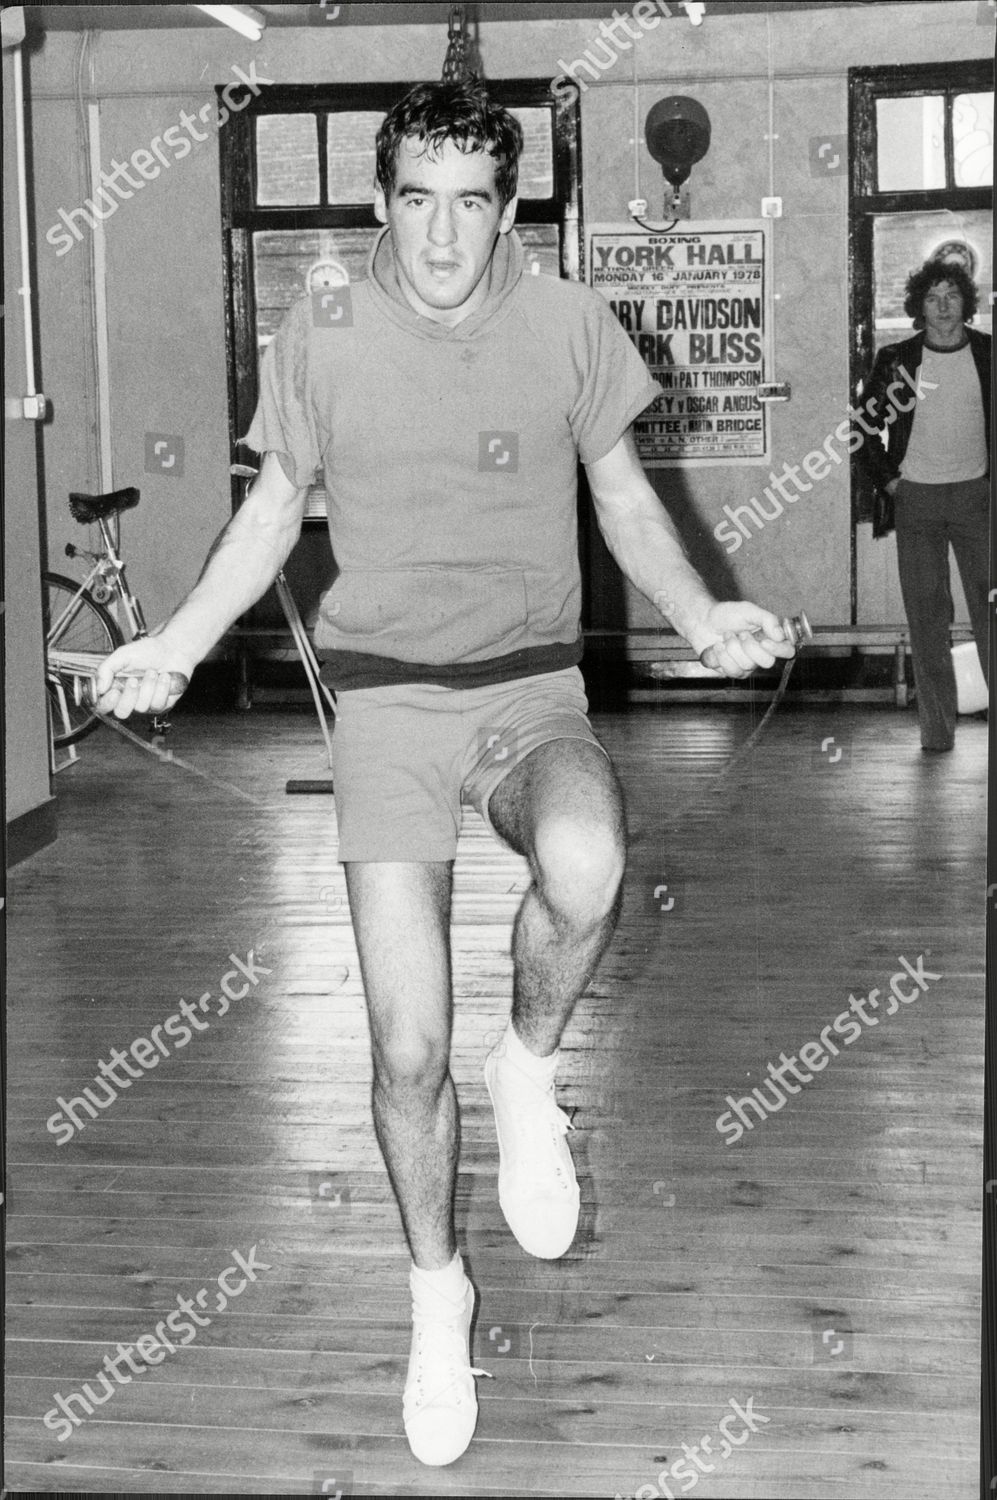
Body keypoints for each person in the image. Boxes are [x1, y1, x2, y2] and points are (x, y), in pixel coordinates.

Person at [96, 80, 796, 1468]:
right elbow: (269, 507)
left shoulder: (568, 327)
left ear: (509, 209)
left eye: (470, 202)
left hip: (530, 688)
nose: (440, 234)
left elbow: (624, 499)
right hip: (383, 709)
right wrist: (173, 641)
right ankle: (436, 1297)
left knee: (588, 862)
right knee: (405, 1052)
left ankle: (529, 1068)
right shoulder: (328, 327)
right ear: (378, 204)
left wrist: (703, 611)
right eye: (415, 199)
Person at [856, 256, 990, 752]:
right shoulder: (898, 360)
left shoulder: (988, 354)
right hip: (917, 501)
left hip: (979, 499)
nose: (943, 307)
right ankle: (937, 731)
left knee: (991, 611)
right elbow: (863, 431)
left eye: (951, 296)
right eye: (932, 298)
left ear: (965, 303)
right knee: (928, 618)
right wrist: (892, 484)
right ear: (919, 307)